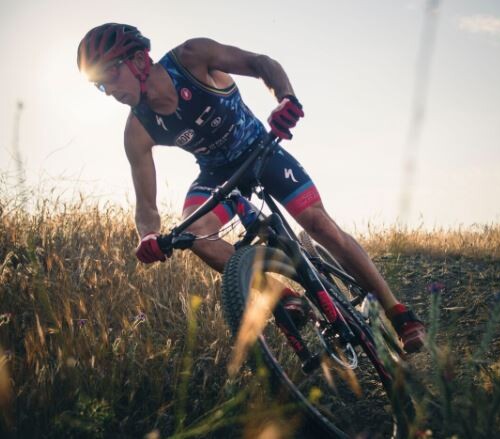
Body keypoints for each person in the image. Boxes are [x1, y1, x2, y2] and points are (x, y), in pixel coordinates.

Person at [77, 23, 425, 353]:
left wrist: (286, 99)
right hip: (218, 175)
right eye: (100, 87)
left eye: (110, 76)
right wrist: (147, 236)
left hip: (263, 151)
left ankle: (398, 312)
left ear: (139, 60)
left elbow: (262, 64)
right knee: (194, 233)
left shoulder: (192, 57)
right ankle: (282, 296)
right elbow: (146, 206)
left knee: (320, 226)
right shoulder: (137, 129)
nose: (109, 91)